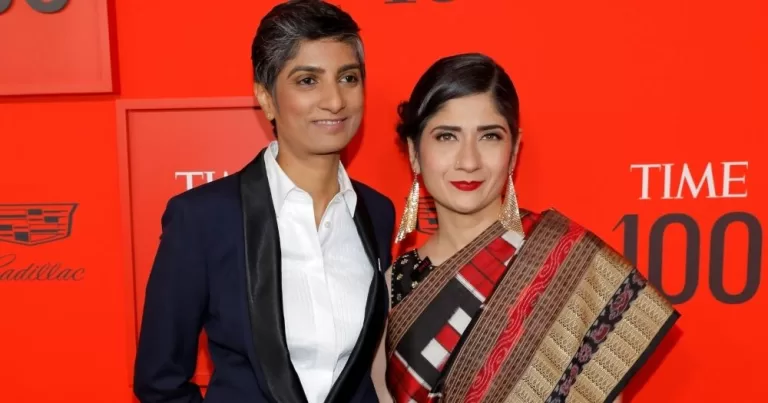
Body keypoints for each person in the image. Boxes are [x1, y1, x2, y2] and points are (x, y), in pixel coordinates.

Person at [374, 53, 679, 403]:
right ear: (415, 152)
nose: (469, 161)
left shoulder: (572, 266)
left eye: (489, 136)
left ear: (514, 150)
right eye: (446, 137)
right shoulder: (392, 287)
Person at [133, 1, 395, 402]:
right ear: (267, 97)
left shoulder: (377, 213)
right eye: (308, 80)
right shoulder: (203, 220)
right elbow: (159, 381)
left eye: (348, 77)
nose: (335, 101)